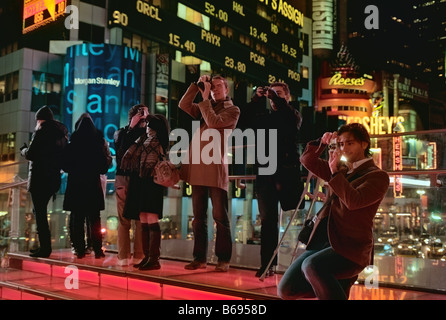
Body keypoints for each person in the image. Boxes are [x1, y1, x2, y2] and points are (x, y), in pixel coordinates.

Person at [278, 123, 390, 300]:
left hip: (350, 246)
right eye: (341, 144)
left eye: (350, 143)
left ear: (364, 144)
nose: (344, 147)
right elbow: (307, 160)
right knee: (286, 289)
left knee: (312, 265)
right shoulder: (339, 169)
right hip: (323, 239)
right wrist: (321, 142)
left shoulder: (377, 176)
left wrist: (335, 174)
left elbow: (354, 201)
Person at [238, 82, 303, 278]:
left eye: (280, 94)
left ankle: (298, 265)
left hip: (287, 174)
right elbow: (243, 122)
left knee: (295, 219)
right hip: (265, 174)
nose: (274, 97)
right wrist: (256, 99)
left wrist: (275, 96)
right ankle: (267, 265)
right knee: (267, 221)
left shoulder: (292, 114)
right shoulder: (264, 117)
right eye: (272, 94)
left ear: (287, 97)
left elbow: (290, 120)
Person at [179, 75, 240, 272]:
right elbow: (183, 104)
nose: (214, 90)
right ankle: (199, 258)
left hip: (215, 168)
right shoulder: (206, 106)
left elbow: (214, 123)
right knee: (198, 217)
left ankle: (223, 259)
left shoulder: (232, 110)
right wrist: (196, 87)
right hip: (198, 166)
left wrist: (205, 100)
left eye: (219, 87)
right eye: (212, 87)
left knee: (220, 216)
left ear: (227, 89)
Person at [120, 114, 170, 270]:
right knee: (143, 218)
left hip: (152, 182)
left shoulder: (159, 141)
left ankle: (154, 258)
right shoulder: (141, 140)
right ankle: (147, 256)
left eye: (149, 125)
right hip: (141, 181)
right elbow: (126, 149)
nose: (147, 128)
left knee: (152, 217)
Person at [20, 106, 68, 258]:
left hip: (39, 179)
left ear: (40, 120)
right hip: (53, 178)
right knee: (40, 212)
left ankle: (45, 248)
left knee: (39, 213)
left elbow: (31, 154)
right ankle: (43, 246)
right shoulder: (61, 134)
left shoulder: (40, 132)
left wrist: (23, 150)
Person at [62, 113, 112, 259]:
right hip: (92, 186)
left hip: (76, 186)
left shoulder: (73, 145)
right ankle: (97, 249)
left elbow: (65, 166)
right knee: (94, 219)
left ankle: (79, 249)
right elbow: (104, 168)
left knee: (77, 218)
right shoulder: (97, 145)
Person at [114, 104, 149, 266]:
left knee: (140, 219)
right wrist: (132, 127)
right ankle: (124, 256)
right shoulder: (121, 133)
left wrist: (145, 123)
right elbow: (121, 153)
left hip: (140, 179)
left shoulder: (148, 133)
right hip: (124, 178)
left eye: (145, 113)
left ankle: (137, 255)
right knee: (125, 220)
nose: (143, 116)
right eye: (140, 113)